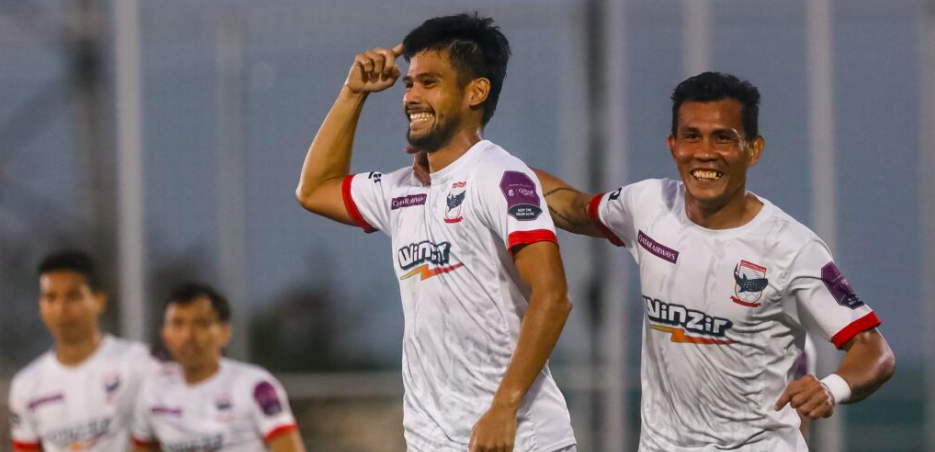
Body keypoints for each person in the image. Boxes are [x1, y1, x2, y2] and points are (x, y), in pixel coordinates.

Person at [531, 71, 896, 451]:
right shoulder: (647, 206)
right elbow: (571, 208)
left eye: (723, 138)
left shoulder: (792, 249)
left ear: (753, 150)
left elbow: (874, 351)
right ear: (673, 146)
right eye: (692, 136)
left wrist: (831, 388)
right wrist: (492, 168)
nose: (705, 152)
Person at [295, 13, 576, 452]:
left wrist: (504, 407)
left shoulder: (501, 176)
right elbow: (314, 190)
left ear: (475, 92)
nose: (411, 96)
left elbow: (554, 297)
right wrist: (353, 93)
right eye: (409, 83)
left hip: (520, 438)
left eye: (429, 82)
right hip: (433, 441)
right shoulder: (400, 190)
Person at [8, 250, 159, 452]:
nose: (61, 309)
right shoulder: (26, 385)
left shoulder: (140, 364)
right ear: (40, 305)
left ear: (99, 300)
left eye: (73, 296)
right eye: (50, 298)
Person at [129, 283, 305, 452]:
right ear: (165, 334)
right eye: (177, 324)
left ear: (224, 333)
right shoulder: (153, 391)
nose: (187, 335)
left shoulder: (255, 386)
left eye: (201, 324)